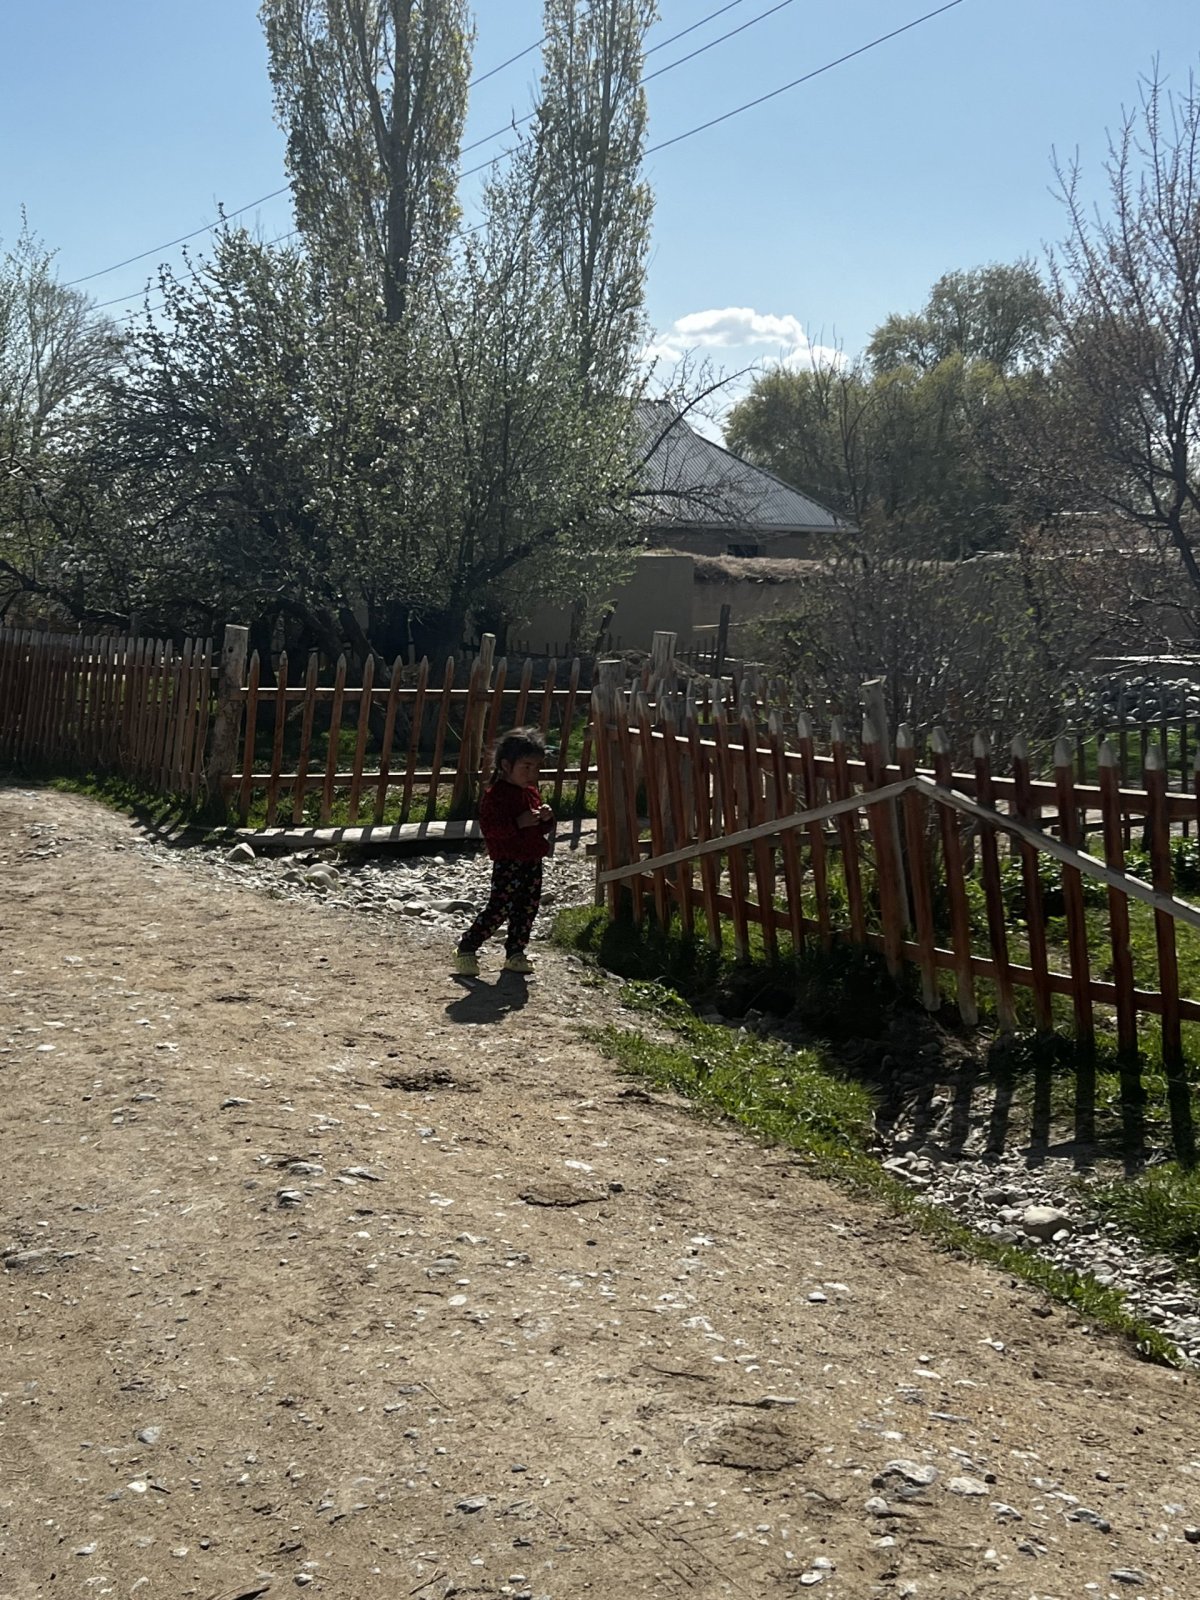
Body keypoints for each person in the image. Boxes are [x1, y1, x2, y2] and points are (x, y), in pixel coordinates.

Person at [454, 727, 555, 976]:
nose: (532, 773)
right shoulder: (495, 796)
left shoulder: (530, 793)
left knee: (527, 909)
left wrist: (546, 818)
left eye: (536, 767)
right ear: (506, 765)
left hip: (532, 859)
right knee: (499, 908)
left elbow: (539, 828)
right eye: (526, 766)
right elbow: (491, 829)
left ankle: (515, 953)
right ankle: (467, 948)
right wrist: (518, 823)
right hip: (508, 861)